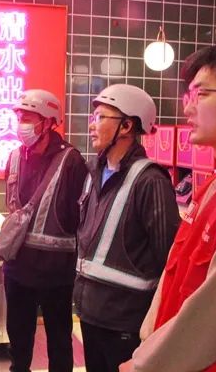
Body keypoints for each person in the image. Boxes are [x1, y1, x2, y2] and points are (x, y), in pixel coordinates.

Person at [120, 42, 216, 372]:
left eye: (201, 94)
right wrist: (147, 345)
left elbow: (213, 319)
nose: (188, 109)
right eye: (189, 96)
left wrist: (143, 364)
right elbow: (173, 271)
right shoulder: (212, 185)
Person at [74, 84, 180, 372]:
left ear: (126, 126)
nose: (92, 125)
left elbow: (170, 258)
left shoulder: (150, 181)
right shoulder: (94, 172)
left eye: (100, 117)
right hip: (91, 314)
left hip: (126, 322)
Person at [3, 89, 88, 372]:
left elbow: (81, 218)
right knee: (18, 338)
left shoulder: (71, 161)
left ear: (50, 121)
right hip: (18, 268)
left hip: (56, 272)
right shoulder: (15, 157)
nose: (22, 124)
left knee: (59, 340)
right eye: (20, 117)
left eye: (29, 118)